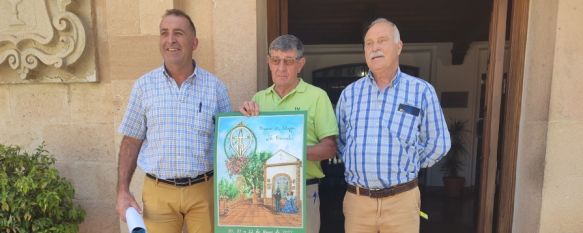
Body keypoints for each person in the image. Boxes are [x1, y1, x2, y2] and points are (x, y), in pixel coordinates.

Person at [115, 9, 231, 233]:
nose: (170, 40)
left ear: (194, 42)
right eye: (164, 33)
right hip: (159, 193)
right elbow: (131, 141)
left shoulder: (216, 88)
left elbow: (229, 142)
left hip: (204, 191)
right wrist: (122, 190)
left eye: (178, 33)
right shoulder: (143, 86)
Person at [336, 18, 451, 233]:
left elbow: (440, 142)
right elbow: (341, 140)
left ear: (399, 47)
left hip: (402, 202)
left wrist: (411, 162)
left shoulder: (421, 91)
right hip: (358, 202)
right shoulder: (349, 94)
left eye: (382, 40)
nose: (375, 48)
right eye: (368, 43)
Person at [239, 34, 338, 233]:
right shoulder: (259, 99)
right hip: (267, 188)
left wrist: (291, 153)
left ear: (300, 64)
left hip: (306, 190)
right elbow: (251, 146)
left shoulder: (317, 97)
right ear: (268, 62)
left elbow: (330, 148)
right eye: (276, 60)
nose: (281, 68)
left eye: (289, 61)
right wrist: (243, 120)